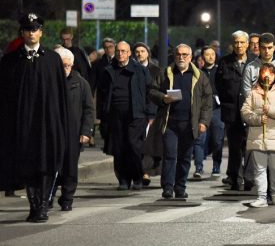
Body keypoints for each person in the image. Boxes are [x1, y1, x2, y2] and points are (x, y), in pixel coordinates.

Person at [0, 13, 68, 223]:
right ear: (22, 32)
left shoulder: (52, 59)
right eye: (28, 30)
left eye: (35, 29)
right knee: (27, 165)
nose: (32, 33)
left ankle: (43, 206)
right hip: (22, 125)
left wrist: (62, 125)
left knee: (47, 164)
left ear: (41, 32)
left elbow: (60, 95)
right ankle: (34, 205)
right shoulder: (11, 60)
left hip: (47, 124)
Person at [151, 44, 212, 199]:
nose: (181, 57)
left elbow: (207, 101)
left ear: (190, 57)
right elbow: (152, 90)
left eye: (185, 54)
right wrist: (163, 98)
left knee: (185, 157)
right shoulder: (166, 73)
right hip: (170, 123)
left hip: (190, 124)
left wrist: (203, 122)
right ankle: (168, 187)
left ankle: (180, 187)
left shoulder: (199, 76)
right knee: (170, 155)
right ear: (174, 55)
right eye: (178, 54)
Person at [99, 41, 157, 190]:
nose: (120, 54)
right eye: (118, 51)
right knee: (119, 148)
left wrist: (151, 114)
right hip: (115, 115)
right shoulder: (108, 70)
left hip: (136, 115)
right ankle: (123, 180)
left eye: (124, 51)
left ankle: (137, 177)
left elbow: (150, 92)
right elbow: (102, 95)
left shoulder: (140, 71)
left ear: (129, 53)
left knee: (133, 146)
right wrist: (102, 115)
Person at [241, 63, 275, 207]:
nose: (267, 77)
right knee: (259, 169)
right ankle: (262, 197)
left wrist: (270, 110)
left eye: (270, 74)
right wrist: (257, 119)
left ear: (274, 76)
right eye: (264, 74)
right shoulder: (253, 92)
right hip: (258, 138)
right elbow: (245, 112)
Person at [51, 46, 94, 211]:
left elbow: (89, 110)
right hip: (53, 133)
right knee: (52, 167)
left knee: (70, 168)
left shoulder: (81, 83)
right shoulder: (50, 82)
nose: (65, 69)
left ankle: (67, 198)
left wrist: (86, 132)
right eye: (62, 65)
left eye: (68, 65)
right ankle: (47, 197)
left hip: (73, 134)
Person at [216, 31, 256, 190]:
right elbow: (218, 84)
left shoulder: (254, 61)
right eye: (236, 43)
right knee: (234, 147)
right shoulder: (225, 62)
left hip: (250, 110)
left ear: (247, 44)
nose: (239, 45)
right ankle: (235, 178)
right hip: (231, 111)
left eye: (242, 42)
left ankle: (249, 178)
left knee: (250, 146)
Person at [133, 41, 163, 186]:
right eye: (137, 51)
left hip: (152, 113)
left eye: (142, 51)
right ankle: (140, 172)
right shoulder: (132, 69)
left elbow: (155, 92)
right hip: (136, 112)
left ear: (148, 53)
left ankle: (145, 172)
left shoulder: (156, 71)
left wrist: (152, 114)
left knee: (149, 145)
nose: (140, 54)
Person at [192, 46, 223, 178]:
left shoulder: (221, 71)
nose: (210, 56)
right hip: (201, 109)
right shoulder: (198, 73)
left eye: (213, 54)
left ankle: (216, 166)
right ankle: (198, 167)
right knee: (199, 139)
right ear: (202, 57)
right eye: (207, 54)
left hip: (217, 109)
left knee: (217, 140)